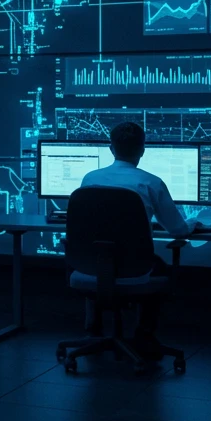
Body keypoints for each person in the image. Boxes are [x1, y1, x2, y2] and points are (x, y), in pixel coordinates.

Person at [77, 121, 186, 349]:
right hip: (136, 267)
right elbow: (177, 230)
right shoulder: (150, 182)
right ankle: (144, 336)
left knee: (101, 259)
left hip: (92, 265)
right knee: (159, 267)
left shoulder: (89, 179)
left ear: (111, 148)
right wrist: (194, 223)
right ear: (142, 150)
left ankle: (93, 330)